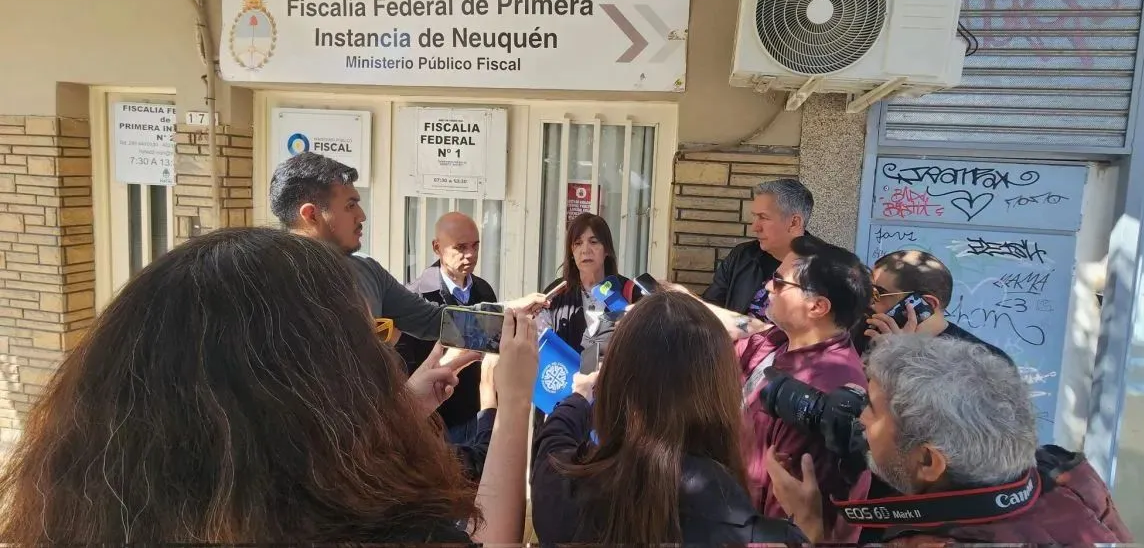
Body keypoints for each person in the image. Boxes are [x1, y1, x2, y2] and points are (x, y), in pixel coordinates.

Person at [0, 227, 538, 543]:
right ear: (307, 384)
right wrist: (510, 401)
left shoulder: (96, 508)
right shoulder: (356, 523)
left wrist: (402, 407)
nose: (380, 354)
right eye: (365, 337)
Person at [766, 335, 1133, 545]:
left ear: (928, 461)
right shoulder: (1064, 474)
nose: (859, 418)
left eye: (873, 411)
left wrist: (811, 529)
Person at [530, 291, 807, 544]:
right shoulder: (727, 510)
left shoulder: (561, 489)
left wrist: (580, 398)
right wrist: (810, 528)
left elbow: (553, 440)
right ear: (717, 393)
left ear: (614, 382)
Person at [268, 152, 546, 343]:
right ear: (311, 214)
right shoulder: (264, 287)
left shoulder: (368, 272)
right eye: (350, 206)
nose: (361, 216)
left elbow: (436, 321)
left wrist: (509, 311)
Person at [738, 234, 872, 533]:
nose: (767, 286)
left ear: (817, 306)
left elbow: (790, 522)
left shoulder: (824, 395)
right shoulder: (777, 341)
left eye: (779, 282)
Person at [401, 211, 498, 445]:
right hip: (435, 423)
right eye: (461, 247)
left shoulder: (484, 291)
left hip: (478, 414)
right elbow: (404, 370)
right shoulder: (414, 297)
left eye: (475, 246)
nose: (471, 254)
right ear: (437, 247)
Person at [851, 249, 1009, 361]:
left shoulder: (985, 361)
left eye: (878, 293)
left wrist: (896, 358)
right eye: (868, 290)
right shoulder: (866, 332)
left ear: (926, 304)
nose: (869, 302)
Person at [703, 179, 816, 332]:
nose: (754, 227)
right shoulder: (742, 256)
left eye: (763, 217)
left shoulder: (827, 269)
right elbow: (709, 309)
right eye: (754, 217)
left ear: (794, 222)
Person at [539, 212, 642, 353]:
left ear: (606, 249)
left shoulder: (629, 291)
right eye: (578, 243)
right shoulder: (556, 294)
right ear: (571, 252)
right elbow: (541, 345)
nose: (585, 250)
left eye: (593, 242)